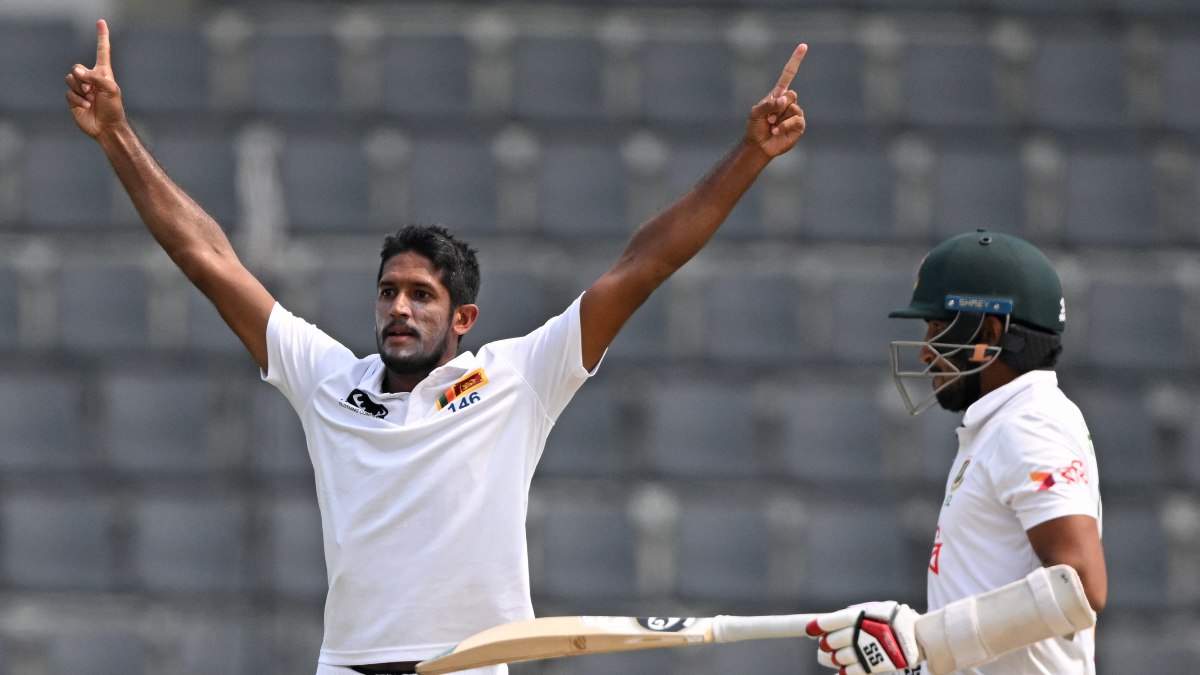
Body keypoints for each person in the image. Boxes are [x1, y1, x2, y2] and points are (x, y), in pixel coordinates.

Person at [65, 18, 808, 675]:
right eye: (389, 291)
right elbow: (210, 260)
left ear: (464, 317)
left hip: (467, 667)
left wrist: (748, 153)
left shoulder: (520, 377)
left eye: (422, 295)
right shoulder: (329, 379)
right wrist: (117, 137)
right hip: (347, 664)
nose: (399, 307)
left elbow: (642, 267)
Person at [806, 230, 1106, 674]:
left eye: (936, 327)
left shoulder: (1029, 423)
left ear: (989, 330)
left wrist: (927, 639)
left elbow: (1080, 584)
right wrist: (916, 660)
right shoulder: (1002, 424)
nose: (927, 352)